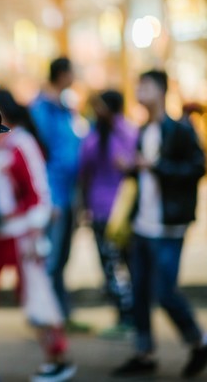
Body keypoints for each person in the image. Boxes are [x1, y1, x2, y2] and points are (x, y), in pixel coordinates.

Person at [112, 70, 207, 378]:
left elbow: (199, 168)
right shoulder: (145, 130)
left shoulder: (180, 130)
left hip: (169, 227)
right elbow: (144, 176)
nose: (138, 90)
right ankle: (144, 353)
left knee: (165, 291)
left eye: (144, 85)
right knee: (140, 291)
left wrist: (155, 166)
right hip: (142, 225)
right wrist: (132, 168)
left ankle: (202, 340)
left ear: (160, 91)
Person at [0, 88, 76, 382]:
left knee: (36, 298)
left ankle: (58, 358)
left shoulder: (22, 142)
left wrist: (35, 232)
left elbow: (40, 193)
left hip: (23, 235)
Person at [29, 57, 85, 330]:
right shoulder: (41, 109)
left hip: (69, 192)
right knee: (51, 258)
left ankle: (60, 314)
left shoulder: (64, 107)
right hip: (55, 195)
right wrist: (48, 198)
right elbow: (41, 154)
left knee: (62, 257)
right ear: (63, 74)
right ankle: (49, 318)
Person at [79, 90, 137, 338]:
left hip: (109, 213)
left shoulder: (100, 136)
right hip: (121, 211)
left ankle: (127, 319)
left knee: (113, 267)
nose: (96, 111)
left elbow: (83, 171)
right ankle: (130, 317)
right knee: (123, 266)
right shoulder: (129, 132)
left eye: (100, 106)